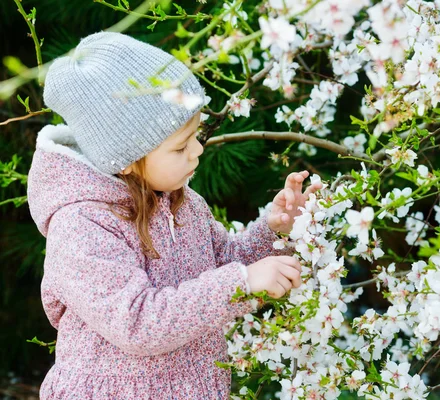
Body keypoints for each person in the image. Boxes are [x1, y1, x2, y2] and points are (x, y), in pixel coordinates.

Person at [27, 31, 321, 399]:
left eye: (195, 136)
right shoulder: (82, 226)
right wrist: (243, 282)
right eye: (181, 145)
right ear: (129, 157)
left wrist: (275, 231)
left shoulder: (183, 203)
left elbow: (225, 265)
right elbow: (137, 321)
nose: (197, 150)